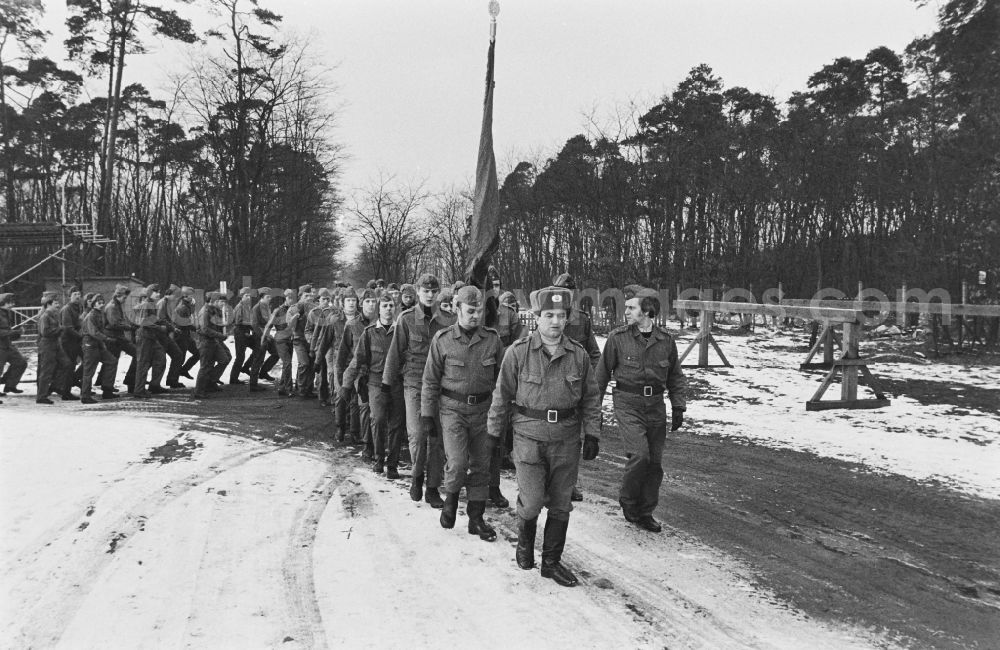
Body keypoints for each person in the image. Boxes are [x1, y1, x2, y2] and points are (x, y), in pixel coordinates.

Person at [487, 286, 601, 587]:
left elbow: (591, 397)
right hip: (529, 438)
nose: (555, 322)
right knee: (534, 500)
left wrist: (592, 433)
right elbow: (502, 395)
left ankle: (551, 562)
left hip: (566, 439)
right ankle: (525, 544)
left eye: (561, 316)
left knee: (561, 503)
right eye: (549, 315)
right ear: (536, 317)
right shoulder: (518, 353)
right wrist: (494, 434)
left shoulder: (578, 356)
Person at [596, 287, 686, 533]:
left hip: (656, 406)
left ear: (647, 310)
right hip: (627, 403)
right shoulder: (618, 338)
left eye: (631, 307)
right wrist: (594, 412)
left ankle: (646, 512)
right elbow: (601, 377)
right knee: (640, 456)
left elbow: (675, 376)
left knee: (655, 463)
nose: (625, 311)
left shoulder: (666, 341)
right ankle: (628, 501)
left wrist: (678, 406)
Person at [422, 285, 505, 540]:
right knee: (457, 463)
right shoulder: (443, 340)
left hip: (483, 411)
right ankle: (451, 500)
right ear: (457, 309)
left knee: (482, 465)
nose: (475, 316)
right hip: (452, 411)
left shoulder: (492, 340)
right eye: (470, 311)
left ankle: (476, 518)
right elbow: (430, 380)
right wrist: (427, 414)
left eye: (479, 311)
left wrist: (502, 416)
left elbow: (502, 380)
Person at [383, 273, 450, 509]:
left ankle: (432, 488)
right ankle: (417, 477)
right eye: (425, 291)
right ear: (418, 292)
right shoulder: (407, 319)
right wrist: (387, 384)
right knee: (418, 435)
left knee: (438, 438)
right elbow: (395, 352)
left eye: (434, 291)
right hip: (414, 382)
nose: (430, 295)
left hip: (441, 386)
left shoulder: (448, 321)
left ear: (438, 292)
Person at [342, 293, 404, 476]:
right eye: (384, 306)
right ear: (379, 308)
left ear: (395, 308)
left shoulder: (401, 331)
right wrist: (346, 384)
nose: (388, 309)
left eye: (391, 305)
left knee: (397, 424)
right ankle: (379, 458)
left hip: (397, 382)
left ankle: (392, 464)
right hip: (375, 381)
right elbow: (357, 359)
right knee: (377, 419)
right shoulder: (369, 333)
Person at [553, 272, 601, 502]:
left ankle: (569, 484)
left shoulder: (582, 320)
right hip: (552, 387)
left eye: (571, 292)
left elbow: (594, 353)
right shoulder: (549, 317)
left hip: (576, 387)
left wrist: (590, 380)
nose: (568, 296)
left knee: (573, 440)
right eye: (563, 291)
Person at [336, 287, 375, 446]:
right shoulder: (351, 324)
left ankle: (355, 432)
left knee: (358, 403)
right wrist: (340, 375)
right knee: (342, 396)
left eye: (374, 302)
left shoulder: (380, 322)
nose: (371, 305)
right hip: (351, 367)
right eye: (367, 302)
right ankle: (340, 427)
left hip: (368, 369)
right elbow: (342, 352)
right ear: (362, 304)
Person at [80, 293, 118, 403]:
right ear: (93, 304)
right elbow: (94, 332)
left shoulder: (98, 314)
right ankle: (85, 396)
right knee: (89, 371)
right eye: (99, 303)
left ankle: (107, 390)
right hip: (90, 345)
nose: (101, 305)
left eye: (102, 303)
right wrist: (107, 339)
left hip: (98, 345)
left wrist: (103, 342)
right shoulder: (91, 316)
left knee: (112, 361)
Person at [193, 291, 232, 399]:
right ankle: (199, 391)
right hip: (205, 342)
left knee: (224, 360)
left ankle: (210, 382)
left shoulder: (213, 310)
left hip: (213, 341)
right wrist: (220, 335)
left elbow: (216, 323)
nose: (223, 304)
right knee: (205, 366)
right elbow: (205, 329)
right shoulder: (205, 311)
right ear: (213, 301)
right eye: (221, 302)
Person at [36, 291, 73, 404]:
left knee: (67, 364)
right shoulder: (45, 316)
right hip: (47, 344)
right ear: (49, 304)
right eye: (55, 303)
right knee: (46, 371)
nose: (58, 305)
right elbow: (45, 332)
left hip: (56, 343)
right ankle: (41, 396)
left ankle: (56, 386)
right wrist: (60, 329)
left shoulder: (53, 315)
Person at [132, 284, 168, 397]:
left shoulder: (152, 304)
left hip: (151, 337)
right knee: (143, 363)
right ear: (149, 293)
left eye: (159, 292)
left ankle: (154, 385)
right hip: (145, 337)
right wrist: (160, 328)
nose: (159, 294)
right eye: (156, 292)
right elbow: (144, 322)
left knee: (161, 359)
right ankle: (139, 390)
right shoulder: (146, 305)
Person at [105, 284, 138, 393]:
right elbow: (114, 323)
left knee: (114, 361)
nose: (125, 299)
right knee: (112, 362)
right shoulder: (112, 307)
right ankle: (108, 388)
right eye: (124, 297)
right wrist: (129, 327)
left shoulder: (117, 305)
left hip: (118, 338)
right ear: (119, 295)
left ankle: (127, 382)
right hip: (114, 338)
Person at [263, 289, 296, 396]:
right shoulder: (278, 310)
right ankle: (288, 388)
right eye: (289, 298)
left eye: (293, 298)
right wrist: (265, 338)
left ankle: (282, 388)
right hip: (280, 340)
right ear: (284, 299)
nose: (291, 300)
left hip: (290, 339)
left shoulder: (295, 310)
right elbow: (269, 325)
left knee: (287, 364)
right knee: (287, 363)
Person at [287, 285, 316, 398]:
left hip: (311, 340)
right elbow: (289, 325)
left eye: (310, 295)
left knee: (312, 364)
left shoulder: (314, 307)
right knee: (304, 363)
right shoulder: (293, 308)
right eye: (306, 295)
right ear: (300, 296)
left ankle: (308, 389)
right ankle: (301, 389)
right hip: (298, 339)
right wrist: (295, 317)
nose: (309, 297)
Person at [247, 287, 279, 390]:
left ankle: (263, 372)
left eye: (270, 296)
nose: (270, 298)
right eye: (268, 297)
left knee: (276, 353)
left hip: (267, 335)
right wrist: (263, 337)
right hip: (259, 336)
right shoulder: (257, 308)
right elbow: (255, 325)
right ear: (262, 297)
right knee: (258, 359)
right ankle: (253, 385)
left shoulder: (266, 307)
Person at [157, 284, 186, 388]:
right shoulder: (162, 303)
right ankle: (156, 383)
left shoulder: (168, 303)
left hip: (166, 334)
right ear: (169, 294)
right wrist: (173, 328)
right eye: (175, 295)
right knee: (160, 360)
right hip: (161, 335)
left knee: (178, 355)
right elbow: (161, 319)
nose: (176, 298)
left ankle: (172, 379)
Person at [0, 292, 28, 398]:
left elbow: (6, 331)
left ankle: (10, 385)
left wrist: (17, 333)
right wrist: (14, 333)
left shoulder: (7, 313)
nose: (12, 305)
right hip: (1, 346)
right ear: (3, 303)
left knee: (21, 362)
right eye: (10, 302)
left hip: (7, 344)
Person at [229, 287, 257, 385]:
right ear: (241, 297)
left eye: (249, 296)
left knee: (258, 349)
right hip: (240, 333)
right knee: (240, 356)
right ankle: (233, 379)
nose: (248, 297)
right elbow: (238, 321)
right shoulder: (239, 307)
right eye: (246, 296)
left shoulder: (246, 306)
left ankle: (245, 367)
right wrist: (250, 325)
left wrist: (253, 329)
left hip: (246, 332)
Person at [58, 287, 84, 392]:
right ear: (69, 297)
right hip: (68, 340)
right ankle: (66, 391)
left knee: (88, 360)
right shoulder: (66, 309)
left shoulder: (79, 307)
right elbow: (68, 328)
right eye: (74, 294)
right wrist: (81, 336)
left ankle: (74, 379)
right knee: (70, 364)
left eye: (79, 294)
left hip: (77, 340)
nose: (77, 296)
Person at [171, 286, 200, 380]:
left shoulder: (186, 306)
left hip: (186, 335)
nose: (192, 298)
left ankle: (183, 370)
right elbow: (181, 323)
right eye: (190, 296)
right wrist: (196, 329)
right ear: (185, 296)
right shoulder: (182, 308)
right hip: (181, 335)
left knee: (197, 353)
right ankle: (173, 380)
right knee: (180, 358)